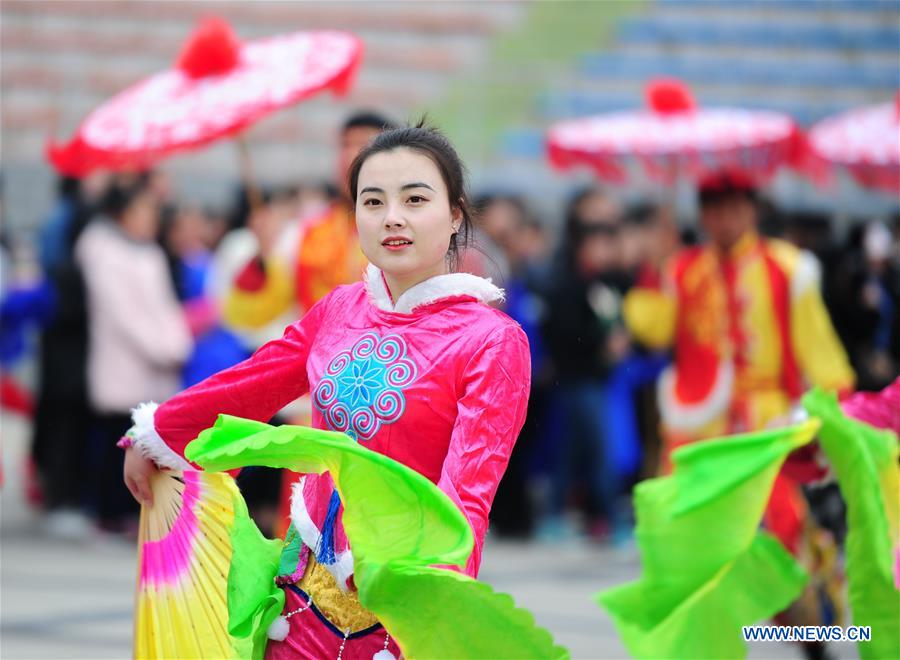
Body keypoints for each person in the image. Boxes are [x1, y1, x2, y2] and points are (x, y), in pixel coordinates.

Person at [121, 124, 531, 658]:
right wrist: (157, 433)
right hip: (300, 600)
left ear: (455, 214)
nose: (392, 218)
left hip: (399, 611)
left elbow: (466, 495)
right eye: (373, 201)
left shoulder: (491, 341)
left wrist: (432, 607)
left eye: (414, 199)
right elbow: (255, 380)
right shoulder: (341, 308)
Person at [623, 170, 855, 656]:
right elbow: (654, 330)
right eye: (713, 210)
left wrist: (833, 407)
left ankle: (810, 632)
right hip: (697, 429)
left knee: (783, 536)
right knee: (688, 543)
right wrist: (652, 267)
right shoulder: (682, 269)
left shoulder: (788, 268)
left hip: (766, 428)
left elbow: (820, 351)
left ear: (751, 210)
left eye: (732, 208)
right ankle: (700, 642)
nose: (723, 219)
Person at [76, 173, 193, 532]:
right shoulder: (105, 253)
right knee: (117, 439)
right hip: (124, 363)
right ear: (123, 213)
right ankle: (108, 515)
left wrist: (177, 342)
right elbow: (124, 316)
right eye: (143, 210)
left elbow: (165, 307)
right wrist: (165, 347)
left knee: (145, 439)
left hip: (157, 365)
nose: (151, 218)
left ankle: (134, 514)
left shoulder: (149, 252)